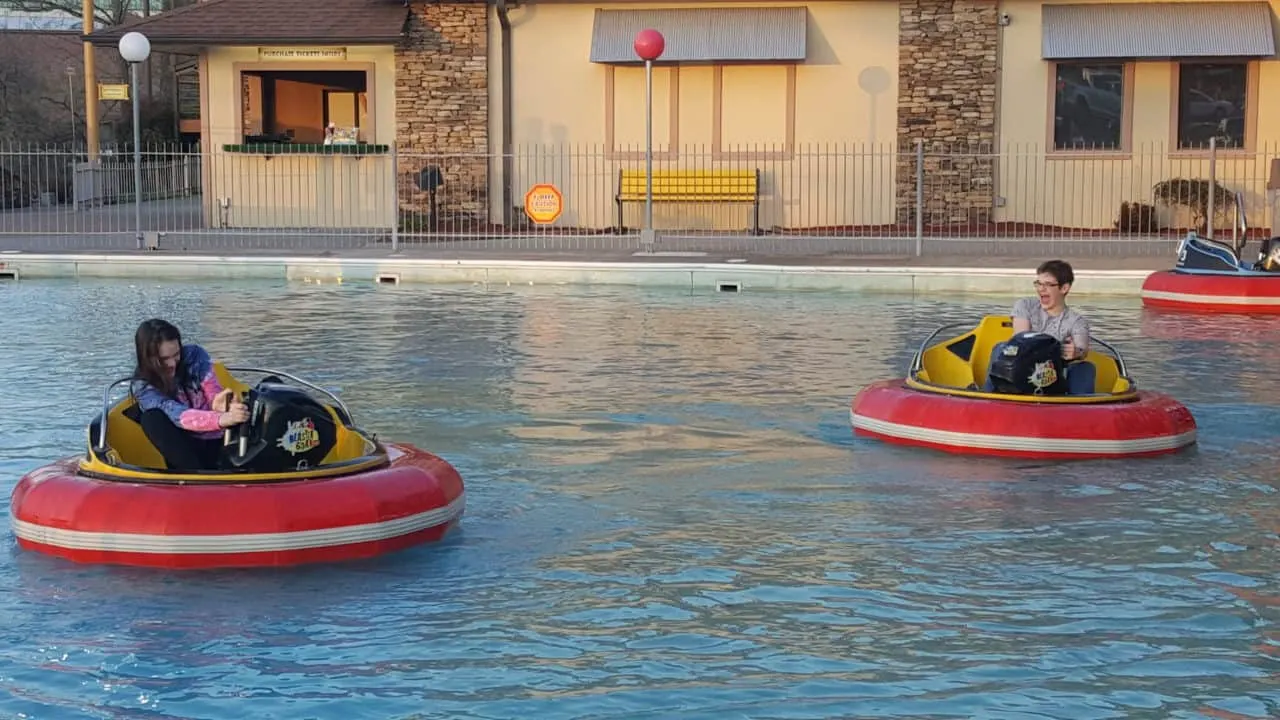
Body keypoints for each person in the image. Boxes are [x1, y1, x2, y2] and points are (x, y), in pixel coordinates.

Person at [129, 319, 249, 471]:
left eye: (176, 354)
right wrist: (221, 419)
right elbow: (177, 415)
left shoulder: (194, 355)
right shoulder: (143, 386)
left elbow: (211, 386)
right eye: (164, 359)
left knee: (269, 387)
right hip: (186, 450)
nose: (172, 363)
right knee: (151, 418)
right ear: (148, 358)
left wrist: (217, 404)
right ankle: (198, 477)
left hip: (218, 440)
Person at [981, 259, 1097, 396]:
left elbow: (1082, 349)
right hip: (1020, 369)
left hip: (1052, 377)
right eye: (1038, 284)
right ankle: (987, 397)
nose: (1041, 289)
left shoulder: (1077, 321)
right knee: (1001, 348)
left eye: (1048, 284)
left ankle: (1078, 409)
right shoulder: (1025, 305)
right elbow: (1022, 338)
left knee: (1085, 368)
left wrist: (1075, 352)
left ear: (1064, 288)